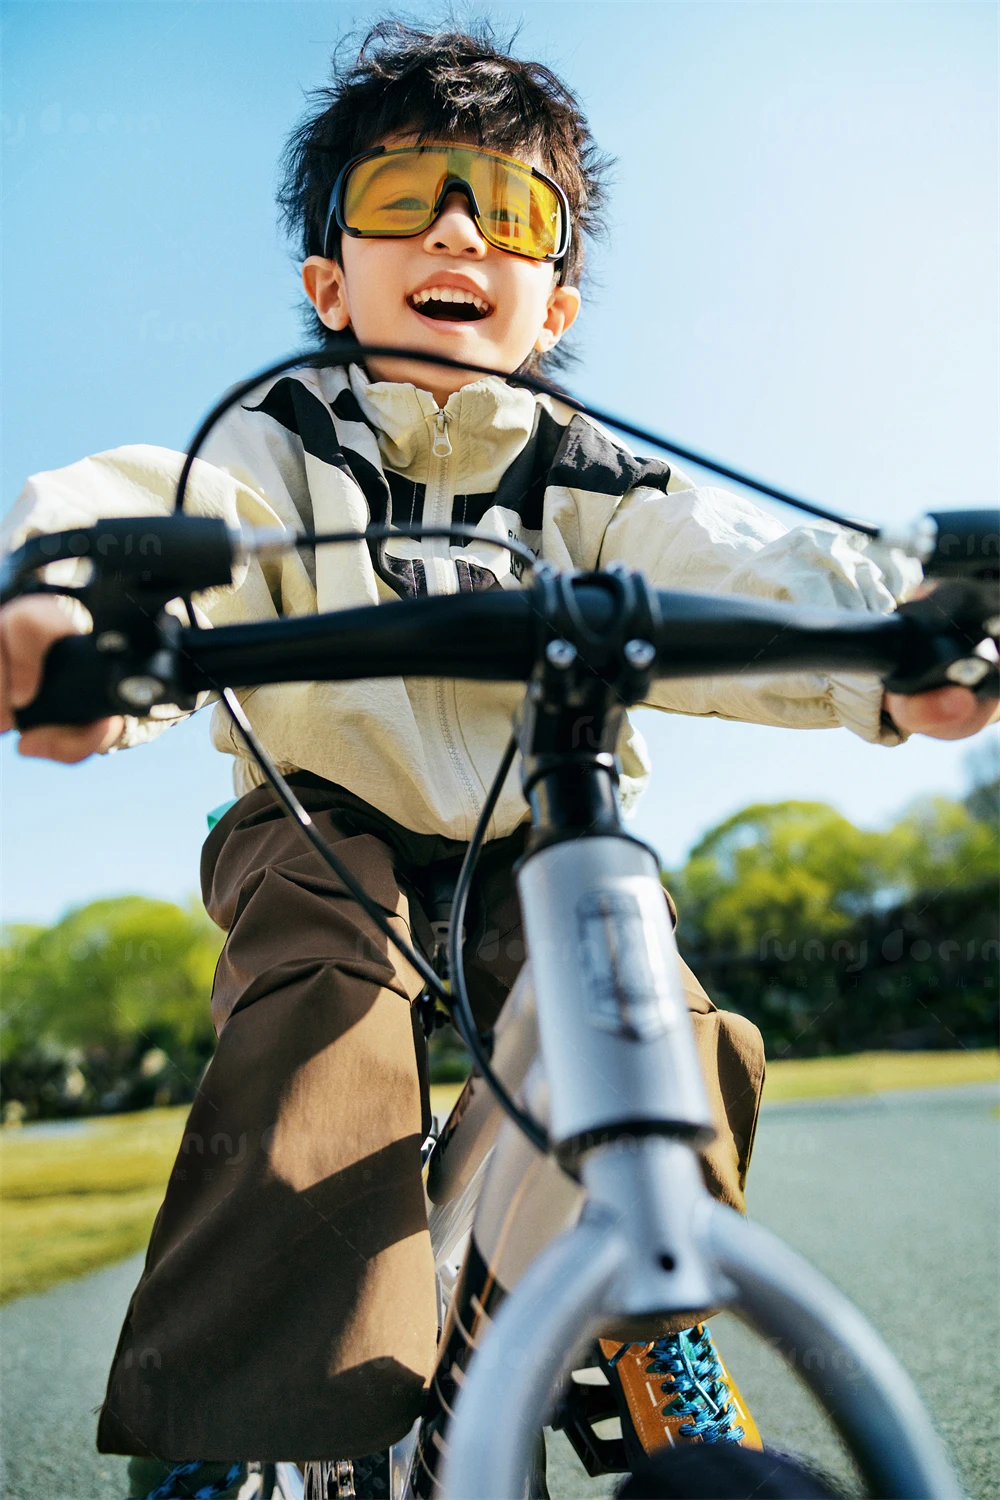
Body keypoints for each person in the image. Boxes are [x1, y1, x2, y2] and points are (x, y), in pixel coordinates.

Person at [1, 22, 995, 1499]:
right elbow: (170, 502)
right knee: (323, 1018)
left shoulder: (587, 468)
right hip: (324, 825)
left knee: (652, 1003)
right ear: (329, 283)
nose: (459, 227)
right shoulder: (287, 439)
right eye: (406, 196)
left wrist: (901, 629)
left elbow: (734, 558)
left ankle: (640, 1323)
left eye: (510, 211)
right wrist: (71, 595)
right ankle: (247, 1418)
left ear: (553, 300)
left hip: (545, 831)